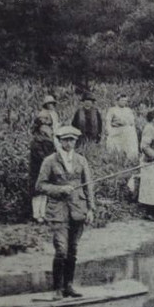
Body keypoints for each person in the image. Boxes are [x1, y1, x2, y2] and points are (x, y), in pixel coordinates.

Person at [34, 124, 95, 298]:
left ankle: (69, 286)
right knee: (61, 250)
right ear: (59, 141)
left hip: (78, 209)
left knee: (73, 250)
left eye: (73, 140)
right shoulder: (49, 161)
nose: (70, 143)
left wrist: (91, 209)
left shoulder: (81, 160)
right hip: (58, 211)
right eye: (66, 140)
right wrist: (59, 189)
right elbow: (40, 185)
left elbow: (89, 185)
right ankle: (57, 289)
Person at [28, 93, 59, 222]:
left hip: (45, 167)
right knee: (37, 190)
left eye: (48, 126)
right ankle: (36, 215)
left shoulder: (49, 141)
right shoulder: (36, 141)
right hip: (38, 167)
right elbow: (40, 156)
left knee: (45, 189)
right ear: (39, 128)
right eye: (44, 126)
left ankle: (43, 213)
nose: (47, 128)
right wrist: (48, 161)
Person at [105, 93, 139, 162]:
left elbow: (132, 122)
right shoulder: (112, 110)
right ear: (117, 101)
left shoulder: (128, 110)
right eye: (122, 100)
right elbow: (108, 122)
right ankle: (116, 161)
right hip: (116, 131)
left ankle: (130, 160)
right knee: (116, 148)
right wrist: (109, 131)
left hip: (127, 131)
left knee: (129, 147)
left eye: (125, 101)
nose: (124, 102)